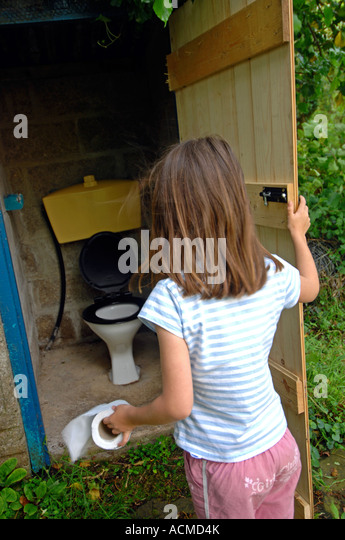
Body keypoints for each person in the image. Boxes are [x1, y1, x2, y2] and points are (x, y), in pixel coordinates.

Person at [103, 136, 319, 519]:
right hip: (279, 447)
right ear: (236, 203)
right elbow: (311, 288)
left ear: (171, 218)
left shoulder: (173, 297)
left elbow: (177, 404)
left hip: (227, 466)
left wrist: (129, 416)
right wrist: (298, 236)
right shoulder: (268, 270)